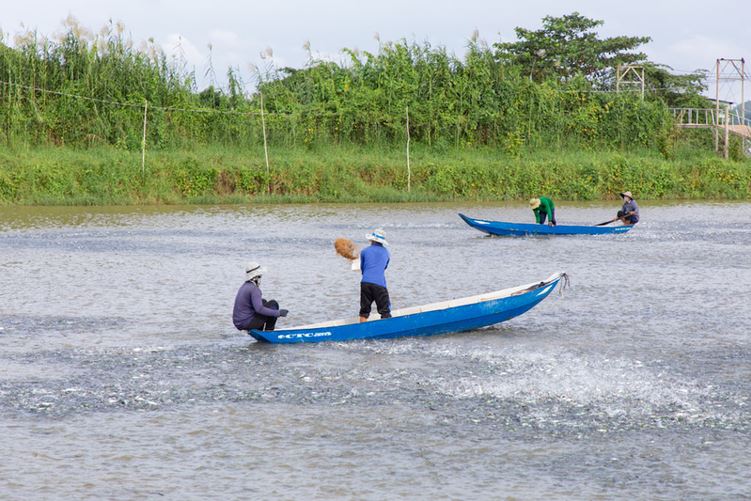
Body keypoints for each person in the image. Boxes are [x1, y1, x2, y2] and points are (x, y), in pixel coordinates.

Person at [232, 262, 288, 332]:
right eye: (260, 276)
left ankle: (259, 330)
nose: (260, 279)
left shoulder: (244, 286)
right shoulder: (254, 289)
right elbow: (259, 309)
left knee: (263, 301)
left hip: (239, 323)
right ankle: (269, 331)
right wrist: (278, 313)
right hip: (246, 323)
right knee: (273, 304)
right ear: (255, 277)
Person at [359, 228, 391, 322]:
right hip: (379, 284)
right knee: (385, 311)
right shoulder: (386, 252)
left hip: (365, 282)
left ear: (371, 240)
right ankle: (386, 329)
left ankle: (362, 330)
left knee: (364, 311)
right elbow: (384, 267)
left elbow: (363, 269)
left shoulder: (364, 251)